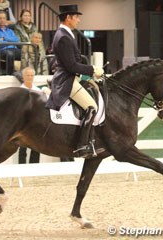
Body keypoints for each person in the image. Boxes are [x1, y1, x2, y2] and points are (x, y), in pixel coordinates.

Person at [45, 4, 104, 158]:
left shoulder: (66, 34)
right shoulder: (63, 37)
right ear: (68, 18)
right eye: (76, 17)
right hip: (67, 80)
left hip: (72, 78)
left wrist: (88, 75)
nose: (78, 20)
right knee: (91, 107)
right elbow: (71, 66)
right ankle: (82, 145)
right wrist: (92, 69)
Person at [18, 67, 41, 164]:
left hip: (36, 123)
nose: (30, 77)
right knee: (22, 147)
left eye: (32, 75)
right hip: (23, 123)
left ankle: (34, 166)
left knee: (36, 147)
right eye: (28, 75)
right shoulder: (19, 91)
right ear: (23, 76)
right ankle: (21, 166)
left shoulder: (38, 91)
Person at [0, 11, 21, 75]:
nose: (2, 20)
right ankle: (10, 74)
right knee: (10, 54)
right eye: (0, 18)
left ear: (6, 19)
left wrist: (4, 38)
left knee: (26, 53)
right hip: (1, 51)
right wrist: (10, 42)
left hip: (14, 49)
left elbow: (16, 40)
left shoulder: (10, 31)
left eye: (4, 18)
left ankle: (25, 74)